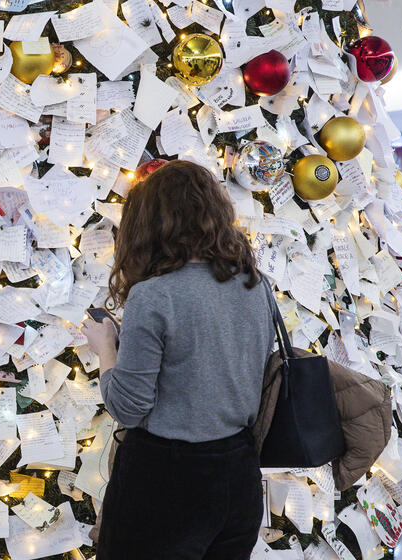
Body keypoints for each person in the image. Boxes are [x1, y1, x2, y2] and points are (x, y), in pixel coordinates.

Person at [81, 160, 274, 559]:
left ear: (149, 223)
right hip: (239, 474)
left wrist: (106, 348)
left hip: (166, 480)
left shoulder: (155, 295)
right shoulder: (255, 286)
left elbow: (128, 407)